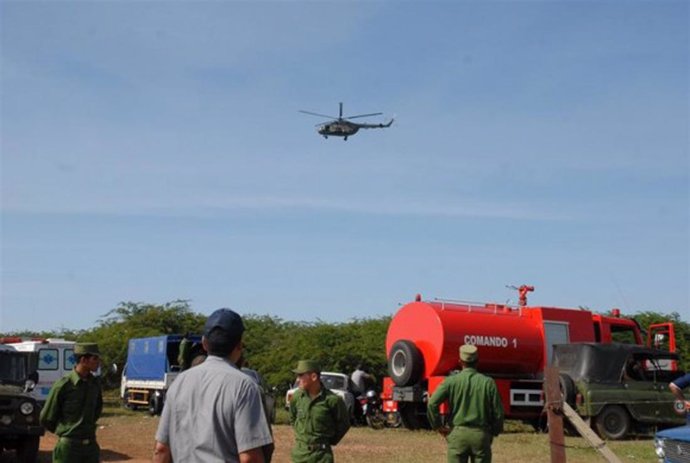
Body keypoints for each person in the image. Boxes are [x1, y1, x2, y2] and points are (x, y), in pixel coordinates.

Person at [153, 308, 273, 463]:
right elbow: (249, 458)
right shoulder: (244, 386)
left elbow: (161, 449)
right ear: (239, 346)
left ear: (204, 343)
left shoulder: (179, 383)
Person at [427, 345, 504, 463]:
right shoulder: (488, 383)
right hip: (480, 435)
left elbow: (432, 403)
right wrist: (493, 431)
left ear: (460, 361)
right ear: (477, 361)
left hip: (457, 435)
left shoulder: (451, 381)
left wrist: (438, 426)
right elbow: (498, 412)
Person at [39, 342, 103, 463]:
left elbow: (97, 410)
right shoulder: (63, 385)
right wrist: (67, 431)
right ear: (83, 360)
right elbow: (46, 417)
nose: (98, 362)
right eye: (95, 358)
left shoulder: (95, 384)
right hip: (69, 448)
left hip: (90, 447)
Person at [289, 360, 351, 463]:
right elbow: (293, 418)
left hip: (322, 457)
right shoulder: (296, 397)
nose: (297, 379)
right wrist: (302, 437)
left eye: (301, 375)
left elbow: (343, 424)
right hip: (300, 455)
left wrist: (328, 441)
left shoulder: (332, 400)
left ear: (313, 377)